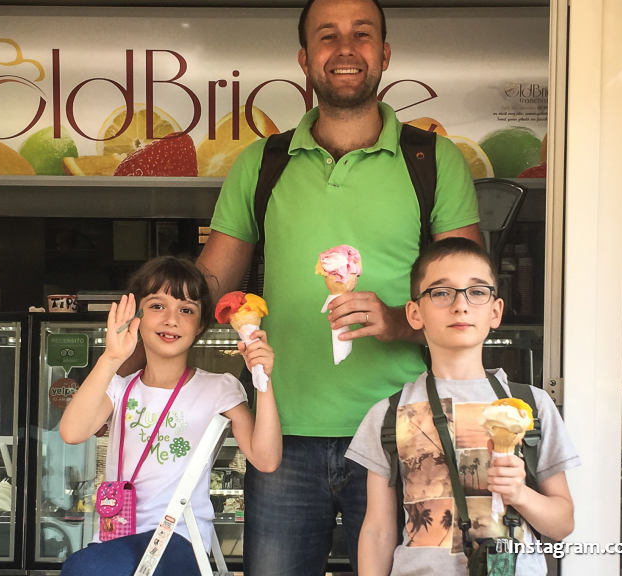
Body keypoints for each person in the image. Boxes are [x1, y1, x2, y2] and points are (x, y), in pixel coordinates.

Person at [196, 0, 481, 573]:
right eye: (328, 36)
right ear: (305, 57)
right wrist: (134, 344)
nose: (345, 48)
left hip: (406, 432)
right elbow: (208, 285)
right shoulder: (262, 163)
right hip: (284, 435)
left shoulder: (431, 160)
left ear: (385, 53)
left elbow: (466, 295)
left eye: (362, 34)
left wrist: (399, 320)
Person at [346, 238, 579, 575]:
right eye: (441, 293)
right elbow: (377, 530)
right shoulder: (387, 414)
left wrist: (520, 493)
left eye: (477, 291)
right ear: (415, 313)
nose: (460, 305)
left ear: (495, 311)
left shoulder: (530, 406)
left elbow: (563, 523)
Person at [58, 256, 282, 576]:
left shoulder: (218, 387)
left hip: (177, 539)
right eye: (157, 306)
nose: (171, 319)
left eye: (186, 309)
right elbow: (71, 432)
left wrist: (264, 379)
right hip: (116, 539)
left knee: (85, 569)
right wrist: (111, 357)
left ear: (201, 324)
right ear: (136, 317)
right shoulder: (119, 388)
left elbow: (267, 459)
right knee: (87, 566)